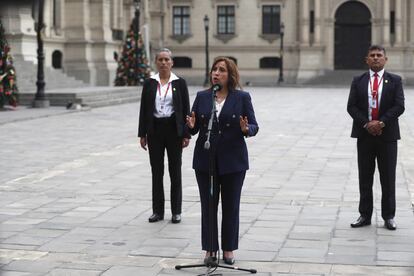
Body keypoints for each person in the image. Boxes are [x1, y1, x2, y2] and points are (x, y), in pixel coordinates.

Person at [186, 57, 259, 265]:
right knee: (208, 207)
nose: (216, 73)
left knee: (231, 206)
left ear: (230, 75)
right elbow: (192, 129)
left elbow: (254, 125)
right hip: (205, 162)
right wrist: (191, 126)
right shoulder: (202, 97)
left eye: (221, 70)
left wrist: (247, 130)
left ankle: (228, 249)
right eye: (214, 70)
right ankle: (210, 249)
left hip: (233, 162)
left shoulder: (242, 98)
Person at [347, 45, 405, 230]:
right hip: (364, 136)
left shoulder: (395, 80)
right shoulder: (358, 80)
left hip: (387, 136)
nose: (376, 58)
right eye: (372, 55)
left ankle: (389, 216)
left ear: (385, 59)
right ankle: (364, 215)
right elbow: (352, 106)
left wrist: (380, 123)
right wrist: (367, 124)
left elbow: (399, 106)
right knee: (365, 177)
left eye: (379, 55)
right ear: (366, 60)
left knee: (387, 177)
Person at [138, 48, 190, 224]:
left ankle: (176, 211)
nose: (163, 63)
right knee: (156, 171)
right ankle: (157, 211)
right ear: (156, 62)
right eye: (160, 59)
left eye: (167, 59)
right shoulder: (149, 83)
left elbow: (185, 110)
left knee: (175, 171)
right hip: (155, 130)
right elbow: (144, 110)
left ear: (172, 62)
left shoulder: (179, 83)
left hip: (174, 130)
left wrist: (186, 134)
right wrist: (142, 134)